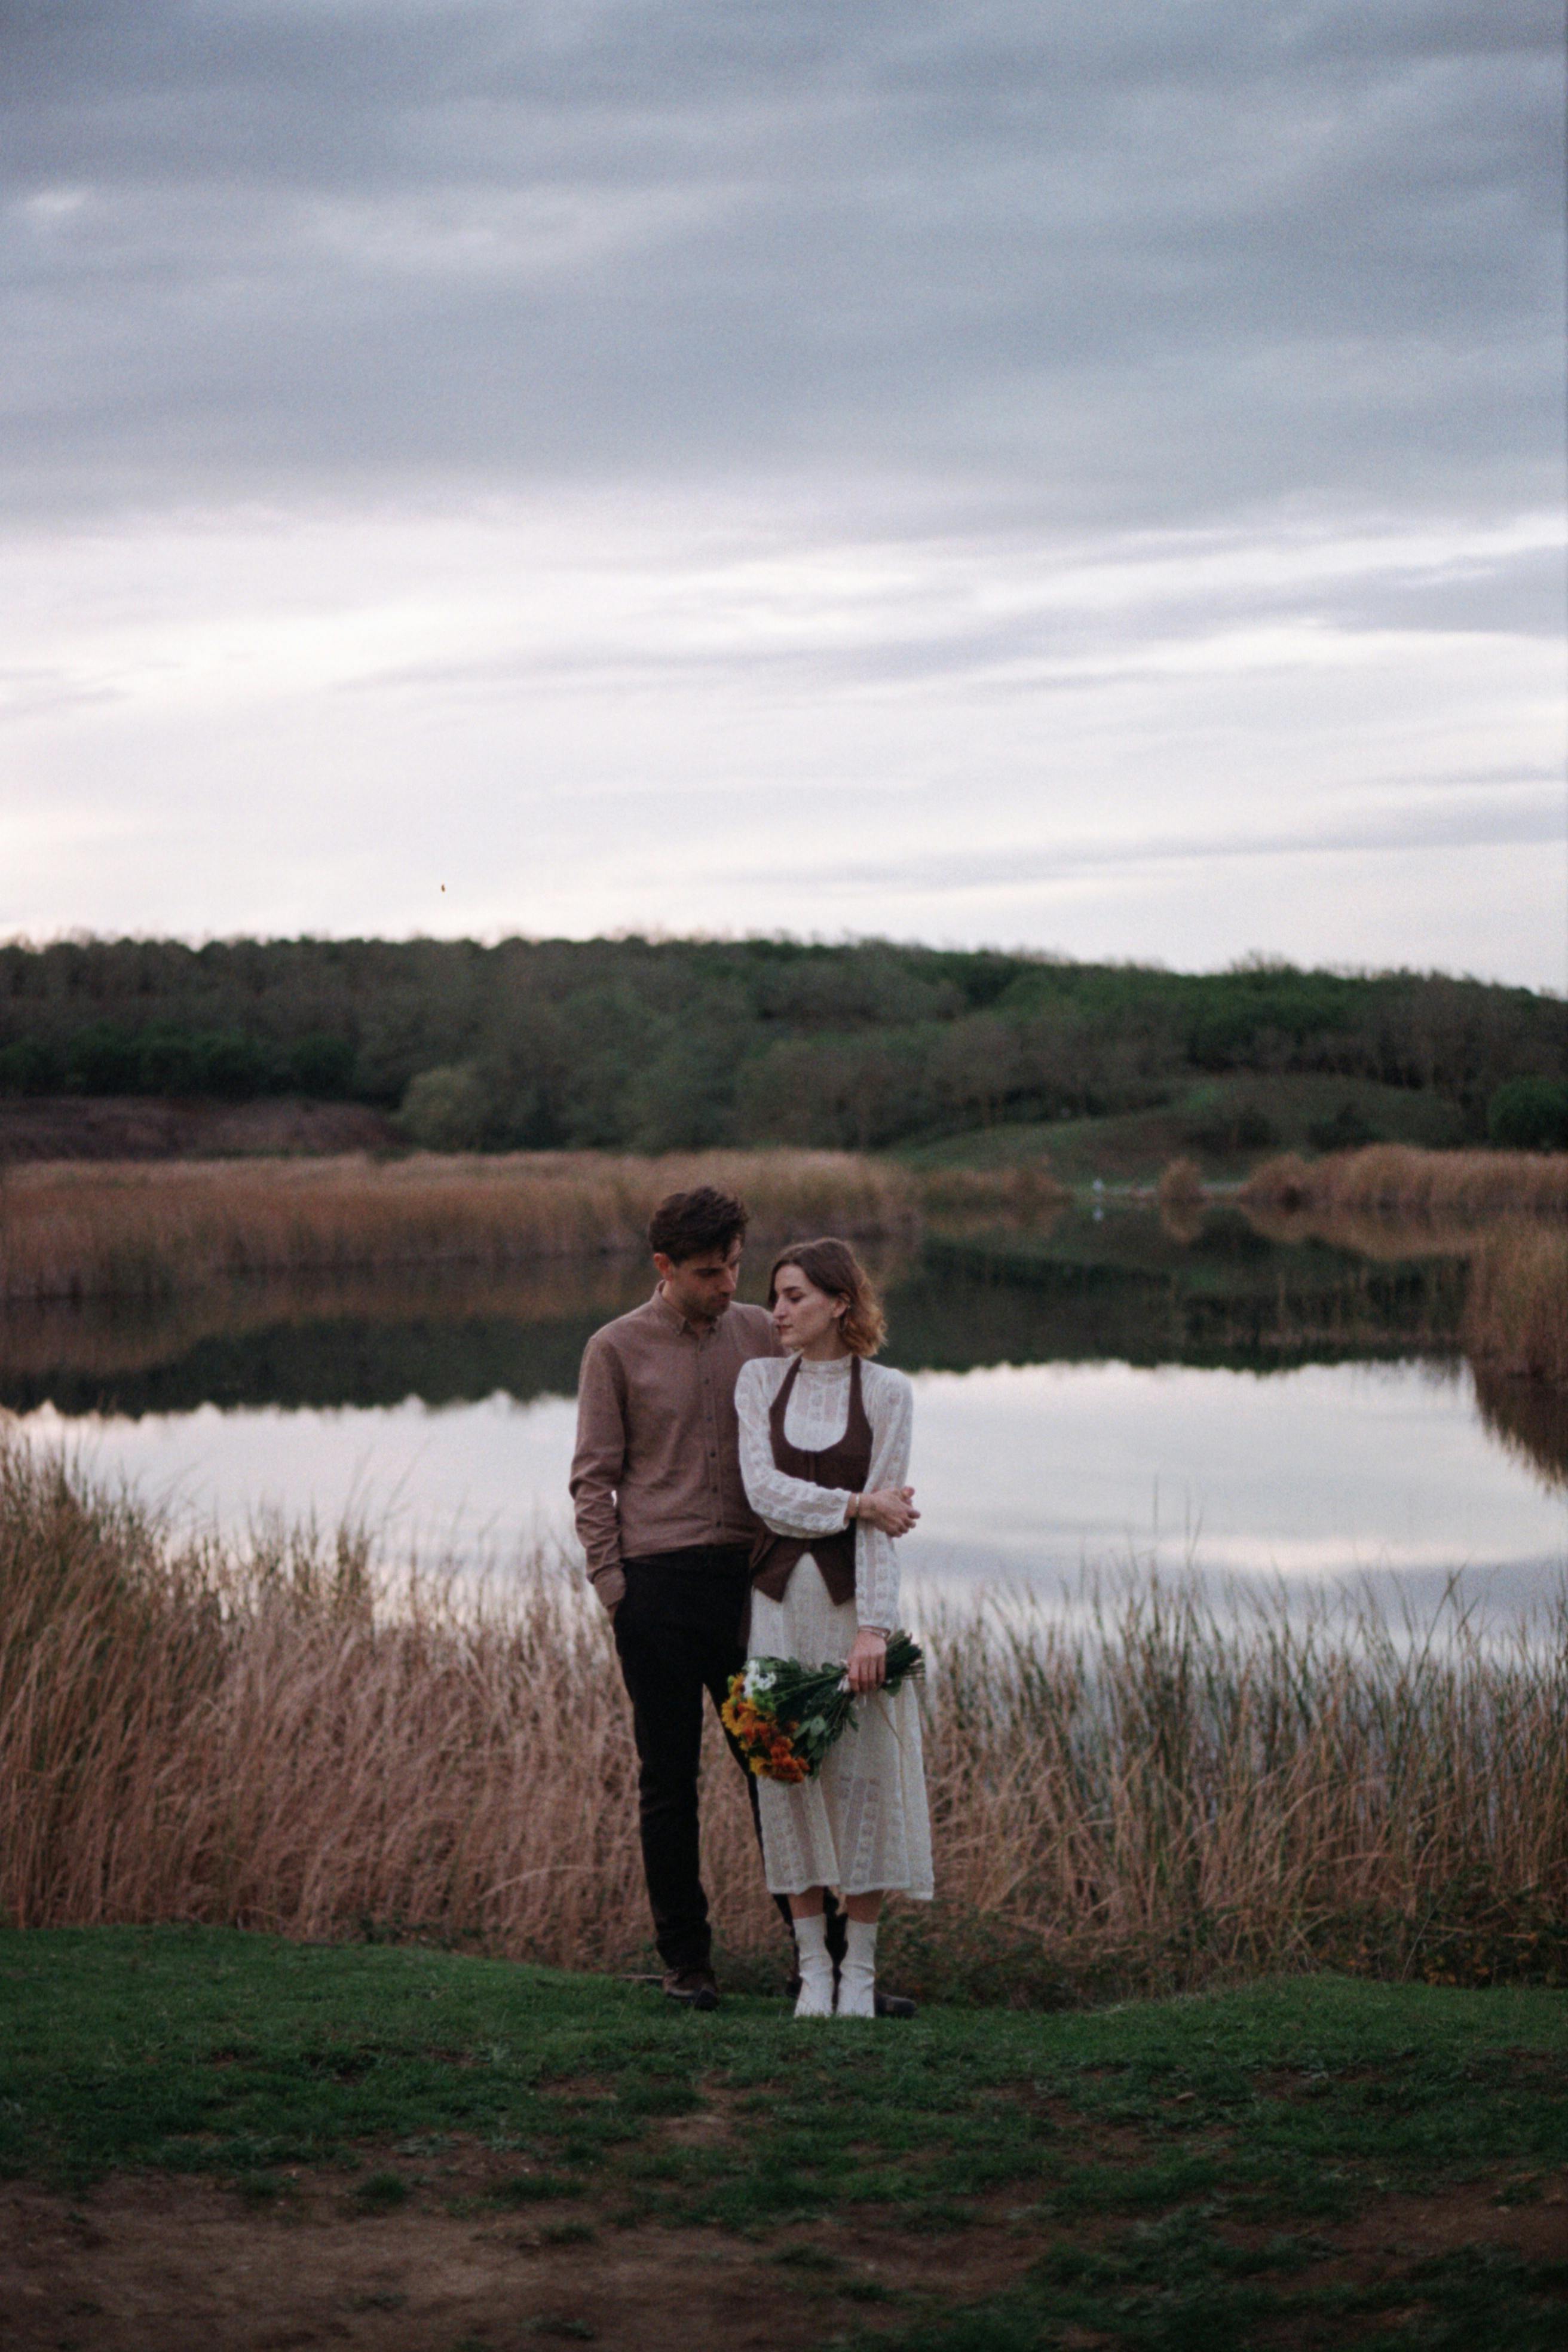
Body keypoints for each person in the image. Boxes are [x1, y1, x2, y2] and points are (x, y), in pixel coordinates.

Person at [570, 1185, 780, 2008]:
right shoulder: (613, 1349)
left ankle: (822, 1962)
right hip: (655, 1593)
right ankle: (687, 1965)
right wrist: (615, 1590)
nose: (728, 1284)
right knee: (669, 1784)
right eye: (708, 1272)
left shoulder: (766, 1332)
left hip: (749, 1591)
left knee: (778, 1769)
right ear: (664, 1268)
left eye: (734, 1265)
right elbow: (593, 1480)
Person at [736, 1238, 932, 2019]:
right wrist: (856, 1504)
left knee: (867, 1784)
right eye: (775, 1296)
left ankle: (860, 1973)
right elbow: (764, 1495)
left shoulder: (888, 1393)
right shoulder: (758, 1381)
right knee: (787, 1781)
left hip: (854, 1610)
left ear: (840, 1304)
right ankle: (813, 1968)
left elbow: (888, 1528)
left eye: (794, 1297)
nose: (777, 1311)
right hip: (777, 1611)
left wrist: (875, 1630)